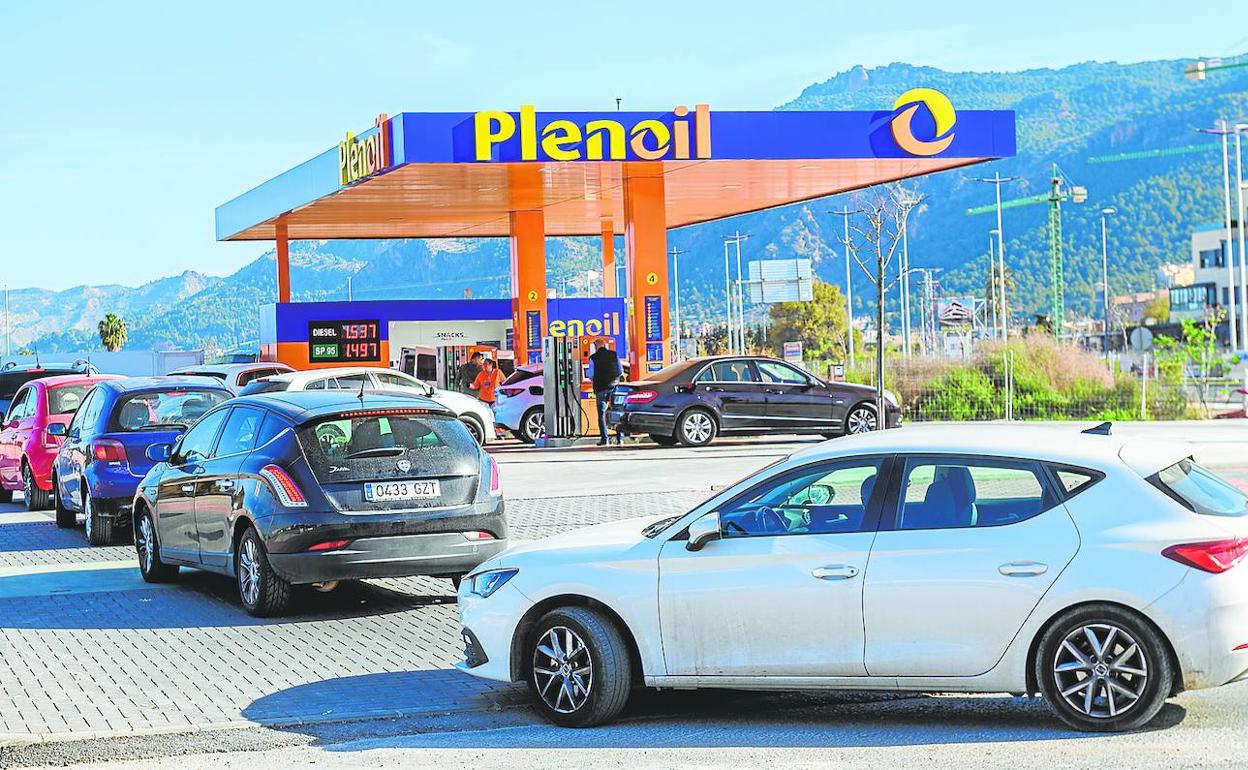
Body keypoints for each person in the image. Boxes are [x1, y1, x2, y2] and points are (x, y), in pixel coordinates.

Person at [588, 342, 622, 446]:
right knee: (616, 412)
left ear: (595, 346)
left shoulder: (593, 358)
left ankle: (604, 439)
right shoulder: (614, 354)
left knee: (601, 414)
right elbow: (620, 371)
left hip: (600, 388)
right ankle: (620, 438)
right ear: (605, 345)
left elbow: (590, 375)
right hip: (614, 387)